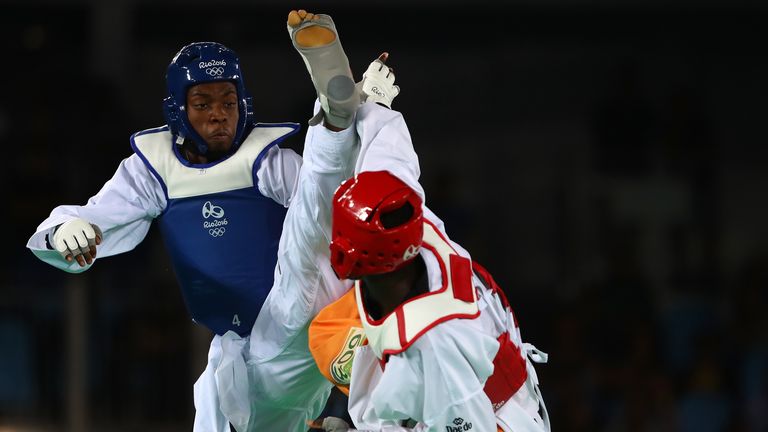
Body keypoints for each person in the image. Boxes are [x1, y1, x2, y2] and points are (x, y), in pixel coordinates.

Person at [25, 22, 400, 431]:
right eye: (202, 103)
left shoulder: (268, 161)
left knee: (314, 218)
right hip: (246, 351)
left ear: (244, 105)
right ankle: (343, 122)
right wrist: (63, 230)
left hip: (299, 304)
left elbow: (336, 205)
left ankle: (337, 120)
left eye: (228, 101)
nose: (219, 114)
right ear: (177, 111)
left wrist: (364, 130)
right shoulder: (153, 171)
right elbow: (94, 217)